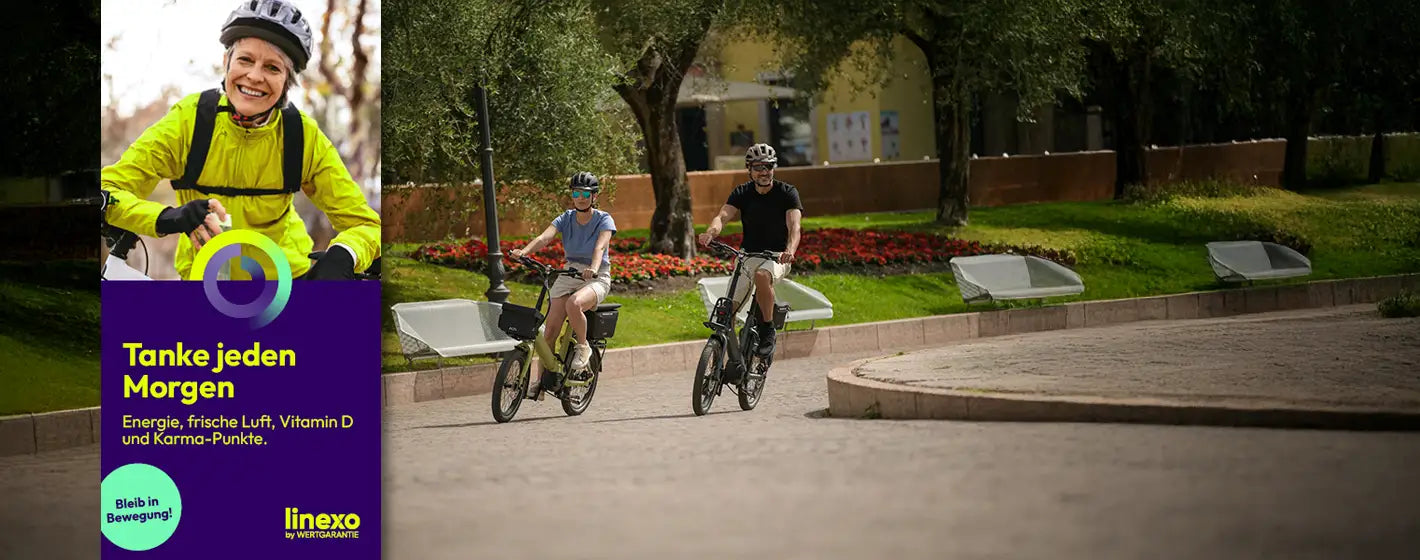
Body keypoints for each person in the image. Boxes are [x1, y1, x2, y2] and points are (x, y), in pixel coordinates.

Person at [100, 0, 380, 280]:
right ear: (227, 63)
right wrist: (167, 217)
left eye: (272, 68)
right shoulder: (189, 122)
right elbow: (107, 191)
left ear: (287, 81)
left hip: (288, 283)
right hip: (205, 283)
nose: (255, 76)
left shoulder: (302, 136)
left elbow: (368, 226)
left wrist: (345, 253)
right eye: (245, 60)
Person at [698, 143, 802, 358]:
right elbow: (723, 217)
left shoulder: (787, 193)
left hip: (777, 258)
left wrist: (790, 249)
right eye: (758, 167)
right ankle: (728, 361)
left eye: (768, 167)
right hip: (747, 257)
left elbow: (795, 227)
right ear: (749, 170)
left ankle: (767, 329)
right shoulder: (742, 193)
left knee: (762, 275)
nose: (764, 172)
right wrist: (711, 232)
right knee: (727, 313)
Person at [509, 172, 617, 377]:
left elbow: (600, 247)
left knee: (574, 304)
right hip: (569, 272)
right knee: (549, 333)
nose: (580, 198)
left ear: (594, 196)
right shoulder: (566, 218)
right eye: (576, 193)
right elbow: (544, 238)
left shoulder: (604, 219)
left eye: (585, 193)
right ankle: (541, 382)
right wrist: (524, 252)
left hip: (597, 276)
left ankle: (583, 347)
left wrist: (593, 268)